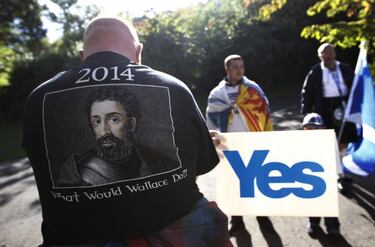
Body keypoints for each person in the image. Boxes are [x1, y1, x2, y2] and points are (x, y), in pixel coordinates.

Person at [22, 16, 232, 246]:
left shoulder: (36, 100)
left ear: (82, 57)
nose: (104, 130)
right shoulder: (175, 88)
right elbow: (189, 179)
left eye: (113, 119)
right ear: (138, 52)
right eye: (96, 121)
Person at [206, 54, 274, 236]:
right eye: (235, 67)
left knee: (257, 181)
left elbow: (264, 112)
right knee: (234, 183)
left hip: (252, 142)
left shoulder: (253, 89)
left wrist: (269, 138)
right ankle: (236, 221)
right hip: (229, 145)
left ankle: (263, 217)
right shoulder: (217, 94)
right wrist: (213, 142)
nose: (239, 70)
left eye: (241, 66)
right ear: (227, 70)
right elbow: (211, 120)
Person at [301, 43, 358, 150]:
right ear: (320, 56)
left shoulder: (344, 68)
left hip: (343, 104)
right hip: (324, 107)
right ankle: (331, 156)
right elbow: (307, 92)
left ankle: (342, 157)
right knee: (327, 136)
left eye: (330, 53)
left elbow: (356, 86)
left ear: (334, 54)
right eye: (324, 54)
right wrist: (306, 112)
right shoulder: (315, 71)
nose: (328, 56)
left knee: (345, 135)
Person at [301, 113, 341, 237]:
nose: (313, 131)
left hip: (326, 179)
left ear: (323, 129)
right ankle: (313, 223)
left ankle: (333, 227)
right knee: (313, 203)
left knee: (329, 204)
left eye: (316, 128)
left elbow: (336, 161)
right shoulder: (299, 144)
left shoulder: (329, 142)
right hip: (309, 180)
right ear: (304, 129)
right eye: (310, 128)